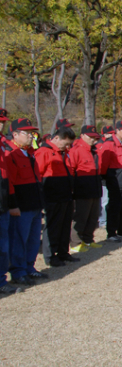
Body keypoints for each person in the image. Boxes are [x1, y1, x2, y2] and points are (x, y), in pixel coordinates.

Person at [5, 118, 46, 286]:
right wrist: (13, 204)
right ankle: (18, 271)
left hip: (35, 204)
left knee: (33, 239)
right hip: (22, 206)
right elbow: (10, 182)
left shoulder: (30, 153)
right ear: (15, 135)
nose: (31, 137)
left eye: (32, 133)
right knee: (19, 239)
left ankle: (29, 267)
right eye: (27, 133)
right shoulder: (11, 153)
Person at [35, 126, 78, 267]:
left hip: (65, 195)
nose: (68, 146)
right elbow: (38, 175)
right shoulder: (44, 152)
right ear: (56, 138)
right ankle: (50, 255)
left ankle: (63, 252)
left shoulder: (63, 152)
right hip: (52, 196)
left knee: (65, 226)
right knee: (53, 226)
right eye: (66, 143)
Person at [99, 120, 122, 242]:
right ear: (118, 130)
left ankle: (121, 229)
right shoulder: (109, 144)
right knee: (114, 207)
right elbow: (104, 163)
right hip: (116, 180)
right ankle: (111, 232)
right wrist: (106, 177)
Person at [68, 125, 103, 252]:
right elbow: (71, 169)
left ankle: (88, 239)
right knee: (81, 216)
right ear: (82, 136)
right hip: (82, 188)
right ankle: (76, 242)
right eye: (90, 137)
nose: (93, 139)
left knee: (93, 216)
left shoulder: (94, 150)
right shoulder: (76, 150)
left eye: (95, 137)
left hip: (94, 186)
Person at [0, 112, 21, 294]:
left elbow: (6, 179)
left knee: (3, 247)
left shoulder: (2, 147)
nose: (1, 126)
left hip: (3, 205)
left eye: (2, 123)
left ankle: (1, 281)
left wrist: (12, 203)